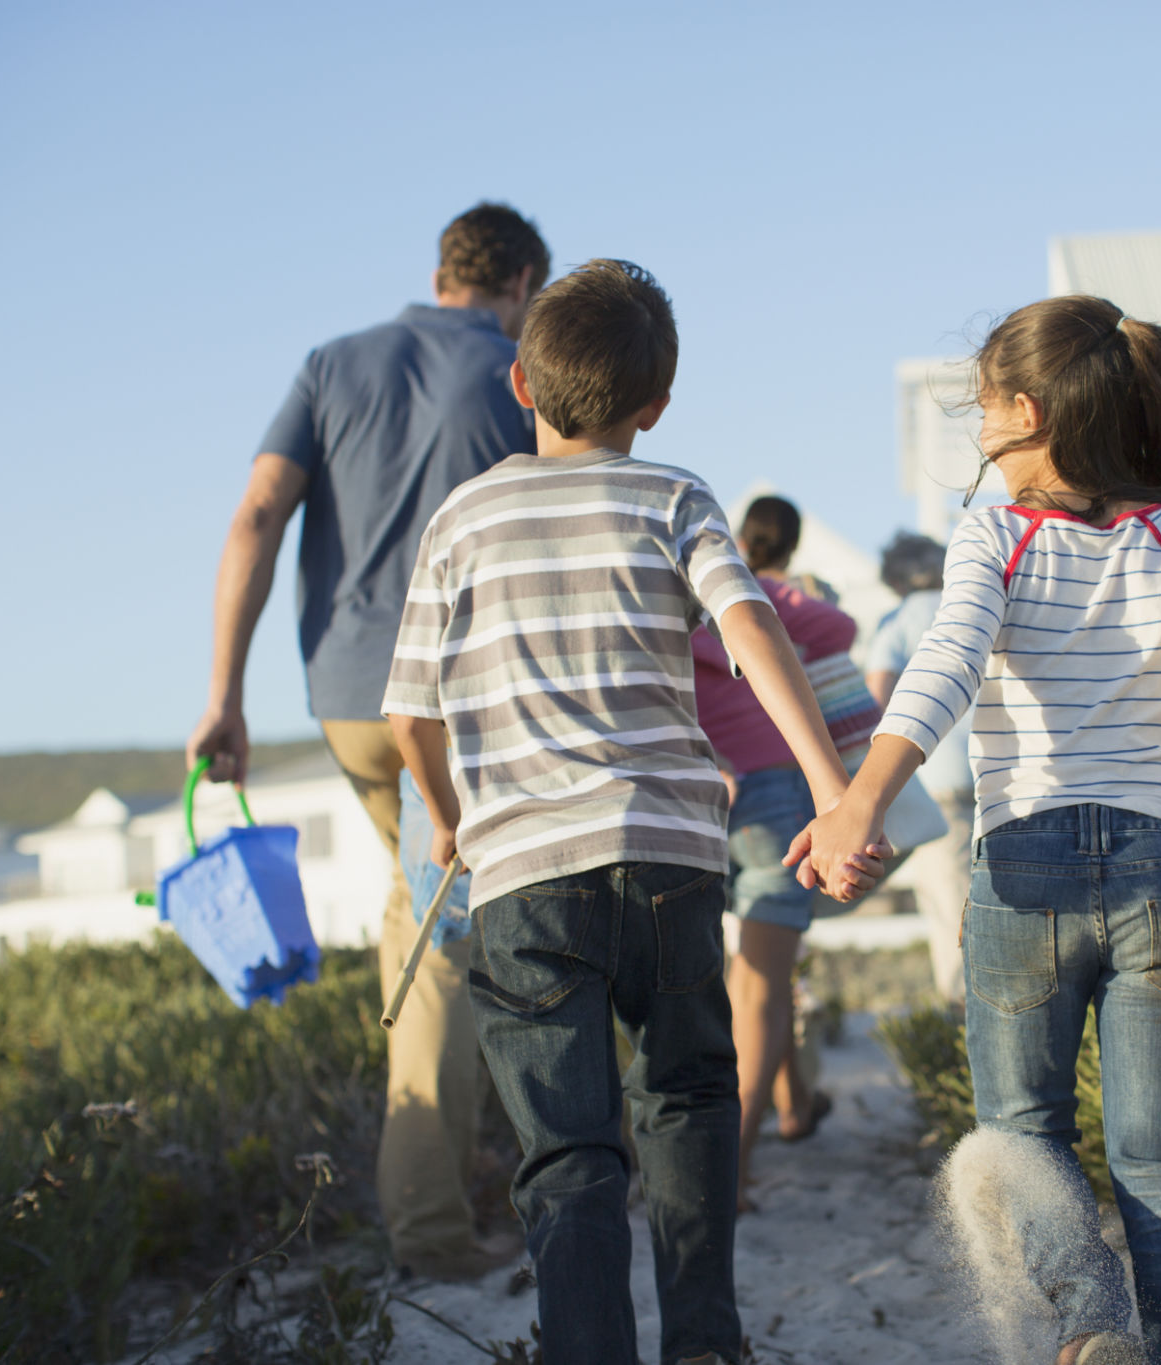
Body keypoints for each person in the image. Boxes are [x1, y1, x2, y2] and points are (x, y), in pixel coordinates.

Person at [383, 259, 881, 1363]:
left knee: (566, 1155)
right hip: (667, 858)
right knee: (690, 1103)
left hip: (525, 879)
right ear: (654, 406)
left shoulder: (463, 517)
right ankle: (702, 1340)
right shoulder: (672, 496)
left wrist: (450, 814)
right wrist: (832, 786)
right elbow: (751, 636)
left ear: (520, 384)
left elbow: (410, 714)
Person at [792, 295, 1161, 1365]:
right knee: (1157, 1170)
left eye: (981, 405)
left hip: (1024, 863)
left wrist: (858, 801)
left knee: (1023, 1136)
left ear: (1026, 411)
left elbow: (946, 666)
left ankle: (1091, 1322)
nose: (975, 428)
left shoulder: (997, 532)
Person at [185, 203, 549, 1280]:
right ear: (522, 279)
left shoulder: (330, 363)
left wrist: (223, 694)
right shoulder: (517, 372)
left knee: (429, 919)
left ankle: (455, 1198)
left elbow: (257, 513)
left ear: (441, 272)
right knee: (450, 942)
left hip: (346, 696)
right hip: (464, 697)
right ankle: (437, 1233)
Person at [690, 520, 872, 1207]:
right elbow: (841, 629)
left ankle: (686, 1152)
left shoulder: (661, 597)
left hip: (688, 784)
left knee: (706, 980)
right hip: (771, 781)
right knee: (764, 979)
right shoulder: (754, 592)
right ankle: (731, 1169)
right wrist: (776, 598)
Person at [865, 532, 971, 1009]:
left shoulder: (900, 619)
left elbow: (878, 695)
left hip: (936, 780)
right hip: (998, 775)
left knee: (949, 906)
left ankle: (963, 1013)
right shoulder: (969, 605)